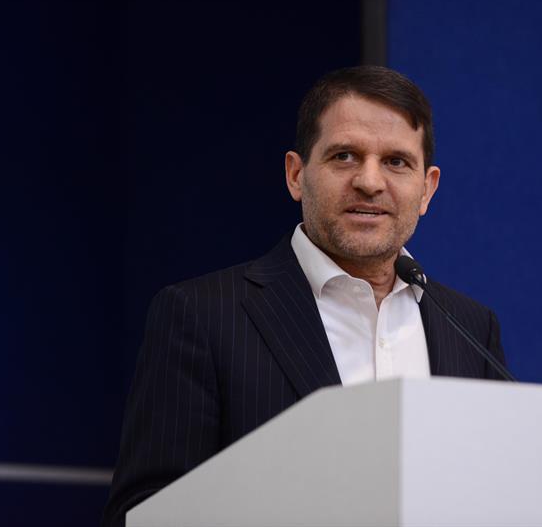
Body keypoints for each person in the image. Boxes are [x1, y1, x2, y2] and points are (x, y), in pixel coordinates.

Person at [101, 65, 508, 526]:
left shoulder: (471, 328)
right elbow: (141, 513)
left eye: (396, 162)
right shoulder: (202, 316)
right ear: (296, 175)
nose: (370, 181)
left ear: (427, 189)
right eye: (345, 156)